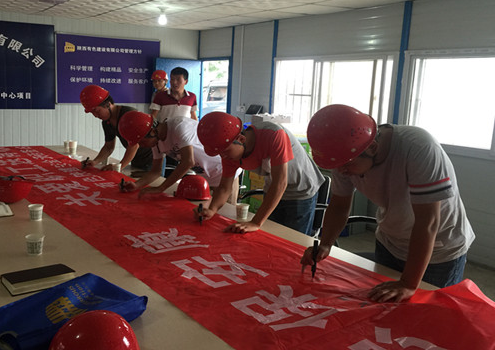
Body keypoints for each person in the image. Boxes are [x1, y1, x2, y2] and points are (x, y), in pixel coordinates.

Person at [301, 104, 475, 303]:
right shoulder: (345, 157)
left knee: (428, 313)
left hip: (438, 251)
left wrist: (408, 283)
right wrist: (325, 244)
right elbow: (339, 205)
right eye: (337, 167)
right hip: (390, 242)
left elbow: (428, 222)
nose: (342, 172)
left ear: (372, 148)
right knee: (380, 310)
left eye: (347, 165)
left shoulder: (419, 148)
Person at [196, 111, 325, 235]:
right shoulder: (230, 153)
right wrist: (212, 209)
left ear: (241, 139)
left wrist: (256, 222)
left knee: (292, 240)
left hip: (301, 189)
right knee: (270, 237)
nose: (222, 156)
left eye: (224, 152)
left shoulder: (273, 134)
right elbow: (225, 188)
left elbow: (280, 183)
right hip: (273, 188)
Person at [117, 110, 232, 197]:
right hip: (204, 177)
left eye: (141, 142)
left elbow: (188, 162)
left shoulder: (179, 127)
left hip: (223, 171)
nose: (142, 146)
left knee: (225, 214)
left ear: (152, 131)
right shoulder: (156, 141)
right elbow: (156, 171)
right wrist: (136, 185)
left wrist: (160, 188)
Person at [79, 85, 152, 171]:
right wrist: (95, 161)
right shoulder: (107, 122)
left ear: (108, 104)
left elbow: (134, 146)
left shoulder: (128, 115)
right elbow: (108, 147)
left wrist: (119, 166)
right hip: (136, 158)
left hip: (152, 158)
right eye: (92, 113)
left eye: (97, 111)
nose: (95, 115)